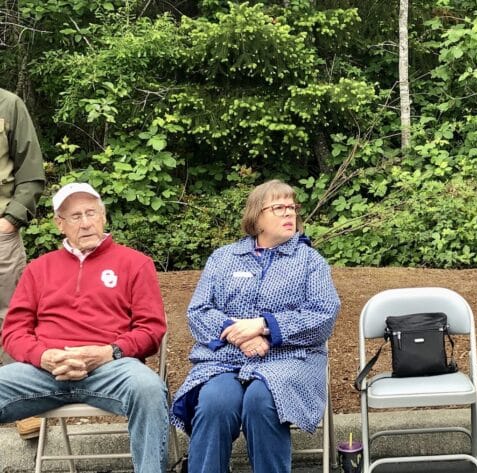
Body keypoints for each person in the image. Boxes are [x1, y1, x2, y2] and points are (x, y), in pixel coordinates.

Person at [171, 179, 340, 473]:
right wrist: (240, 336)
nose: (289, 214)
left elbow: (323, 314)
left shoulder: (309, 261)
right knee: (215, 402)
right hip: (225, 359)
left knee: (261, 401)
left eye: (292, 207)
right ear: (256, 217)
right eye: (279, 207)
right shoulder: (223, 259)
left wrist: (264, 326)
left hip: (289, 359)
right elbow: (198, 312)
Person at [0, 182, 170, 473]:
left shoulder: (136, 264)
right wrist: (44, 356)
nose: (87, 223)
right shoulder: (39, 269)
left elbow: (151, 330)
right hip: (44, 372)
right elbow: (13, 332)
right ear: (59, 224)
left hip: (111, 368)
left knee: (149, 389)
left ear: (103, 217)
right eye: (76, 216)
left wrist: (108, 352)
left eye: (92, 213)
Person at [0, 87, 45, 366]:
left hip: (0, 238)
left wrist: (9, 222)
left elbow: (31, 174)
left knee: (10, 321)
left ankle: (13, 404)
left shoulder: (9, 105)